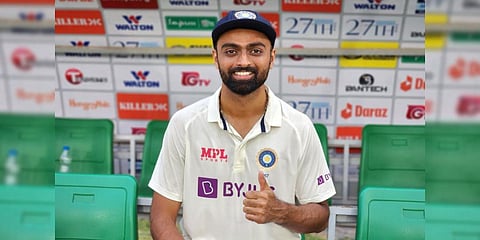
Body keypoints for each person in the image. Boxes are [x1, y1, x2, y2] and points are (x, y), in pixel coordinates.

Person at [148, 10, 336, 240]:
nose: (243, 61)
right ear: (215, 57)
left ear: (272, 57)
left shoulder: (299, 127)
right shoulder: (184, 124)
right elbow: (161, 217)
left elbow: (320, 217)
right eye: (231, 51)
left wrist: (282, 212)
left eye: (255, 51)